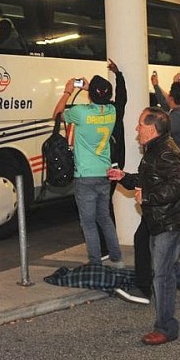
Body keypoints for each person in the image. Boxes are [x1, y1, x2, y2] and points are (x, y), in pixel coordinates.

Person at [108, 107, 180, 345]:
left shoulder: (166, 151)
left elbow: (178, 184)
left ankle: (167, 327)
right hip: (162, 220)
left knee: (162, 274)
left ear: (152, 128)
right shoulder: (156, 148)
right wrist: (124, 177)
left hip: (171, 222)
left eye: (139, 125)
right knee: (168, 266)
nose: (136, 129)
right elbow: (152, 179)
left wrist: (147, 197)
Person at [52, 74, 123, 267]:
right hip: (105, 173)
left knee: (88, 222)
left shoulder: (80, 112)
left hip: (85, 175)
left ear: (91, 94)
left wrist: (68, 91)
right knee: (105, 218)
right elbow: (104, 98)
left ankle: (95, 263)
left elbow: (57, 114)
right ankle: (116, 258)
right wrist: (91, 88)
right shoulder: (112, 111)